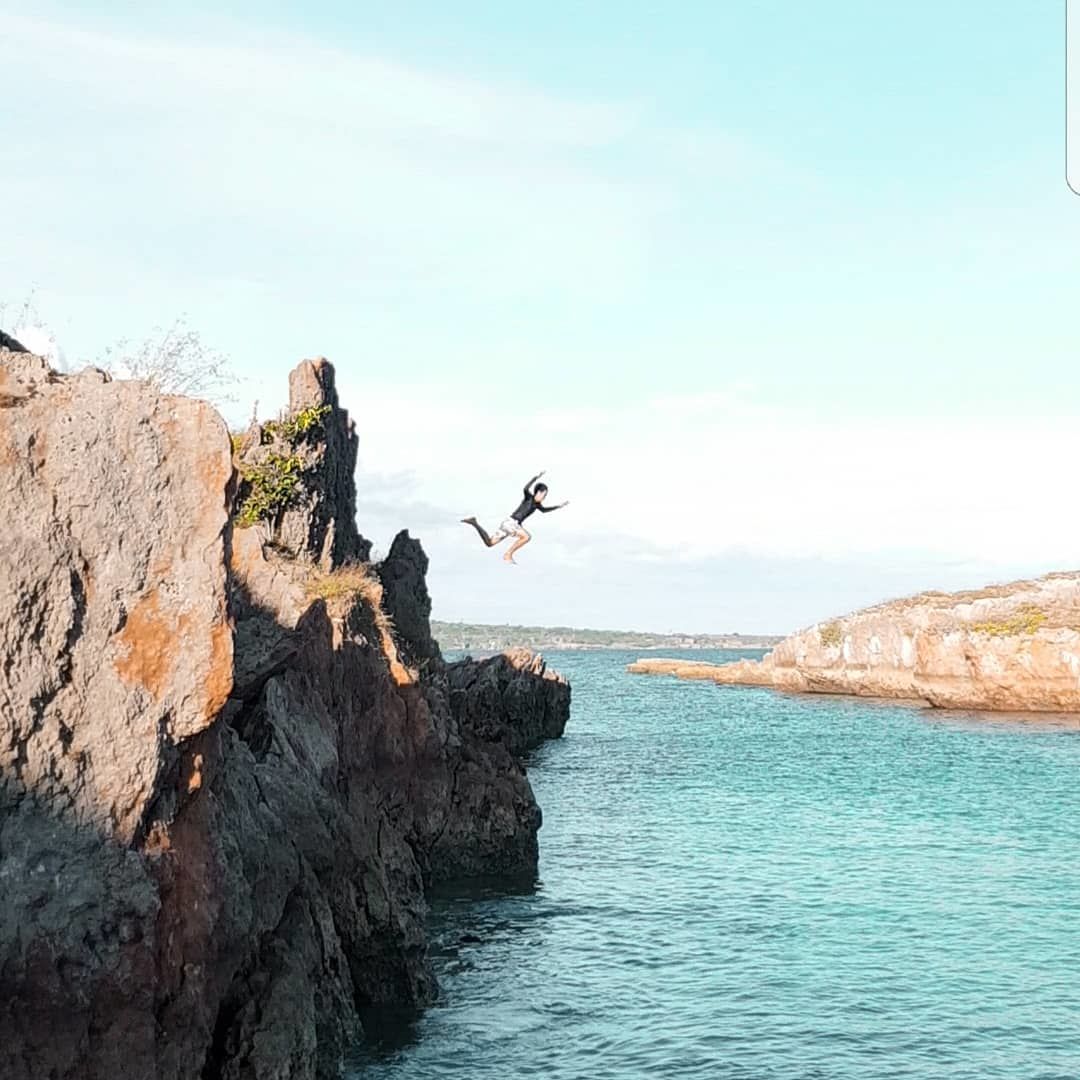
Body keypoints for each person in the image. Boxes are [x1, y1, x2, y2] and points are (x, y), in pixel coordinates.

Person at [462, 470, 569, 563]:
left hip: (509, 524)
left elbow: (545, 510)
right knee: (526, 537)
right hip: (511, 524)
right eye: (544, 495)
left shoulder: (537, 506)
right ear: (538, 493)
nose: (544, 497)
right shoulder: (529, 497)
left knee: (490, 543)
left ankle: (474, 522)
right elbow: (525, 488)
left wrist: (558, 506)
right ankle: (508, 554)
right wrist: (537, 477)